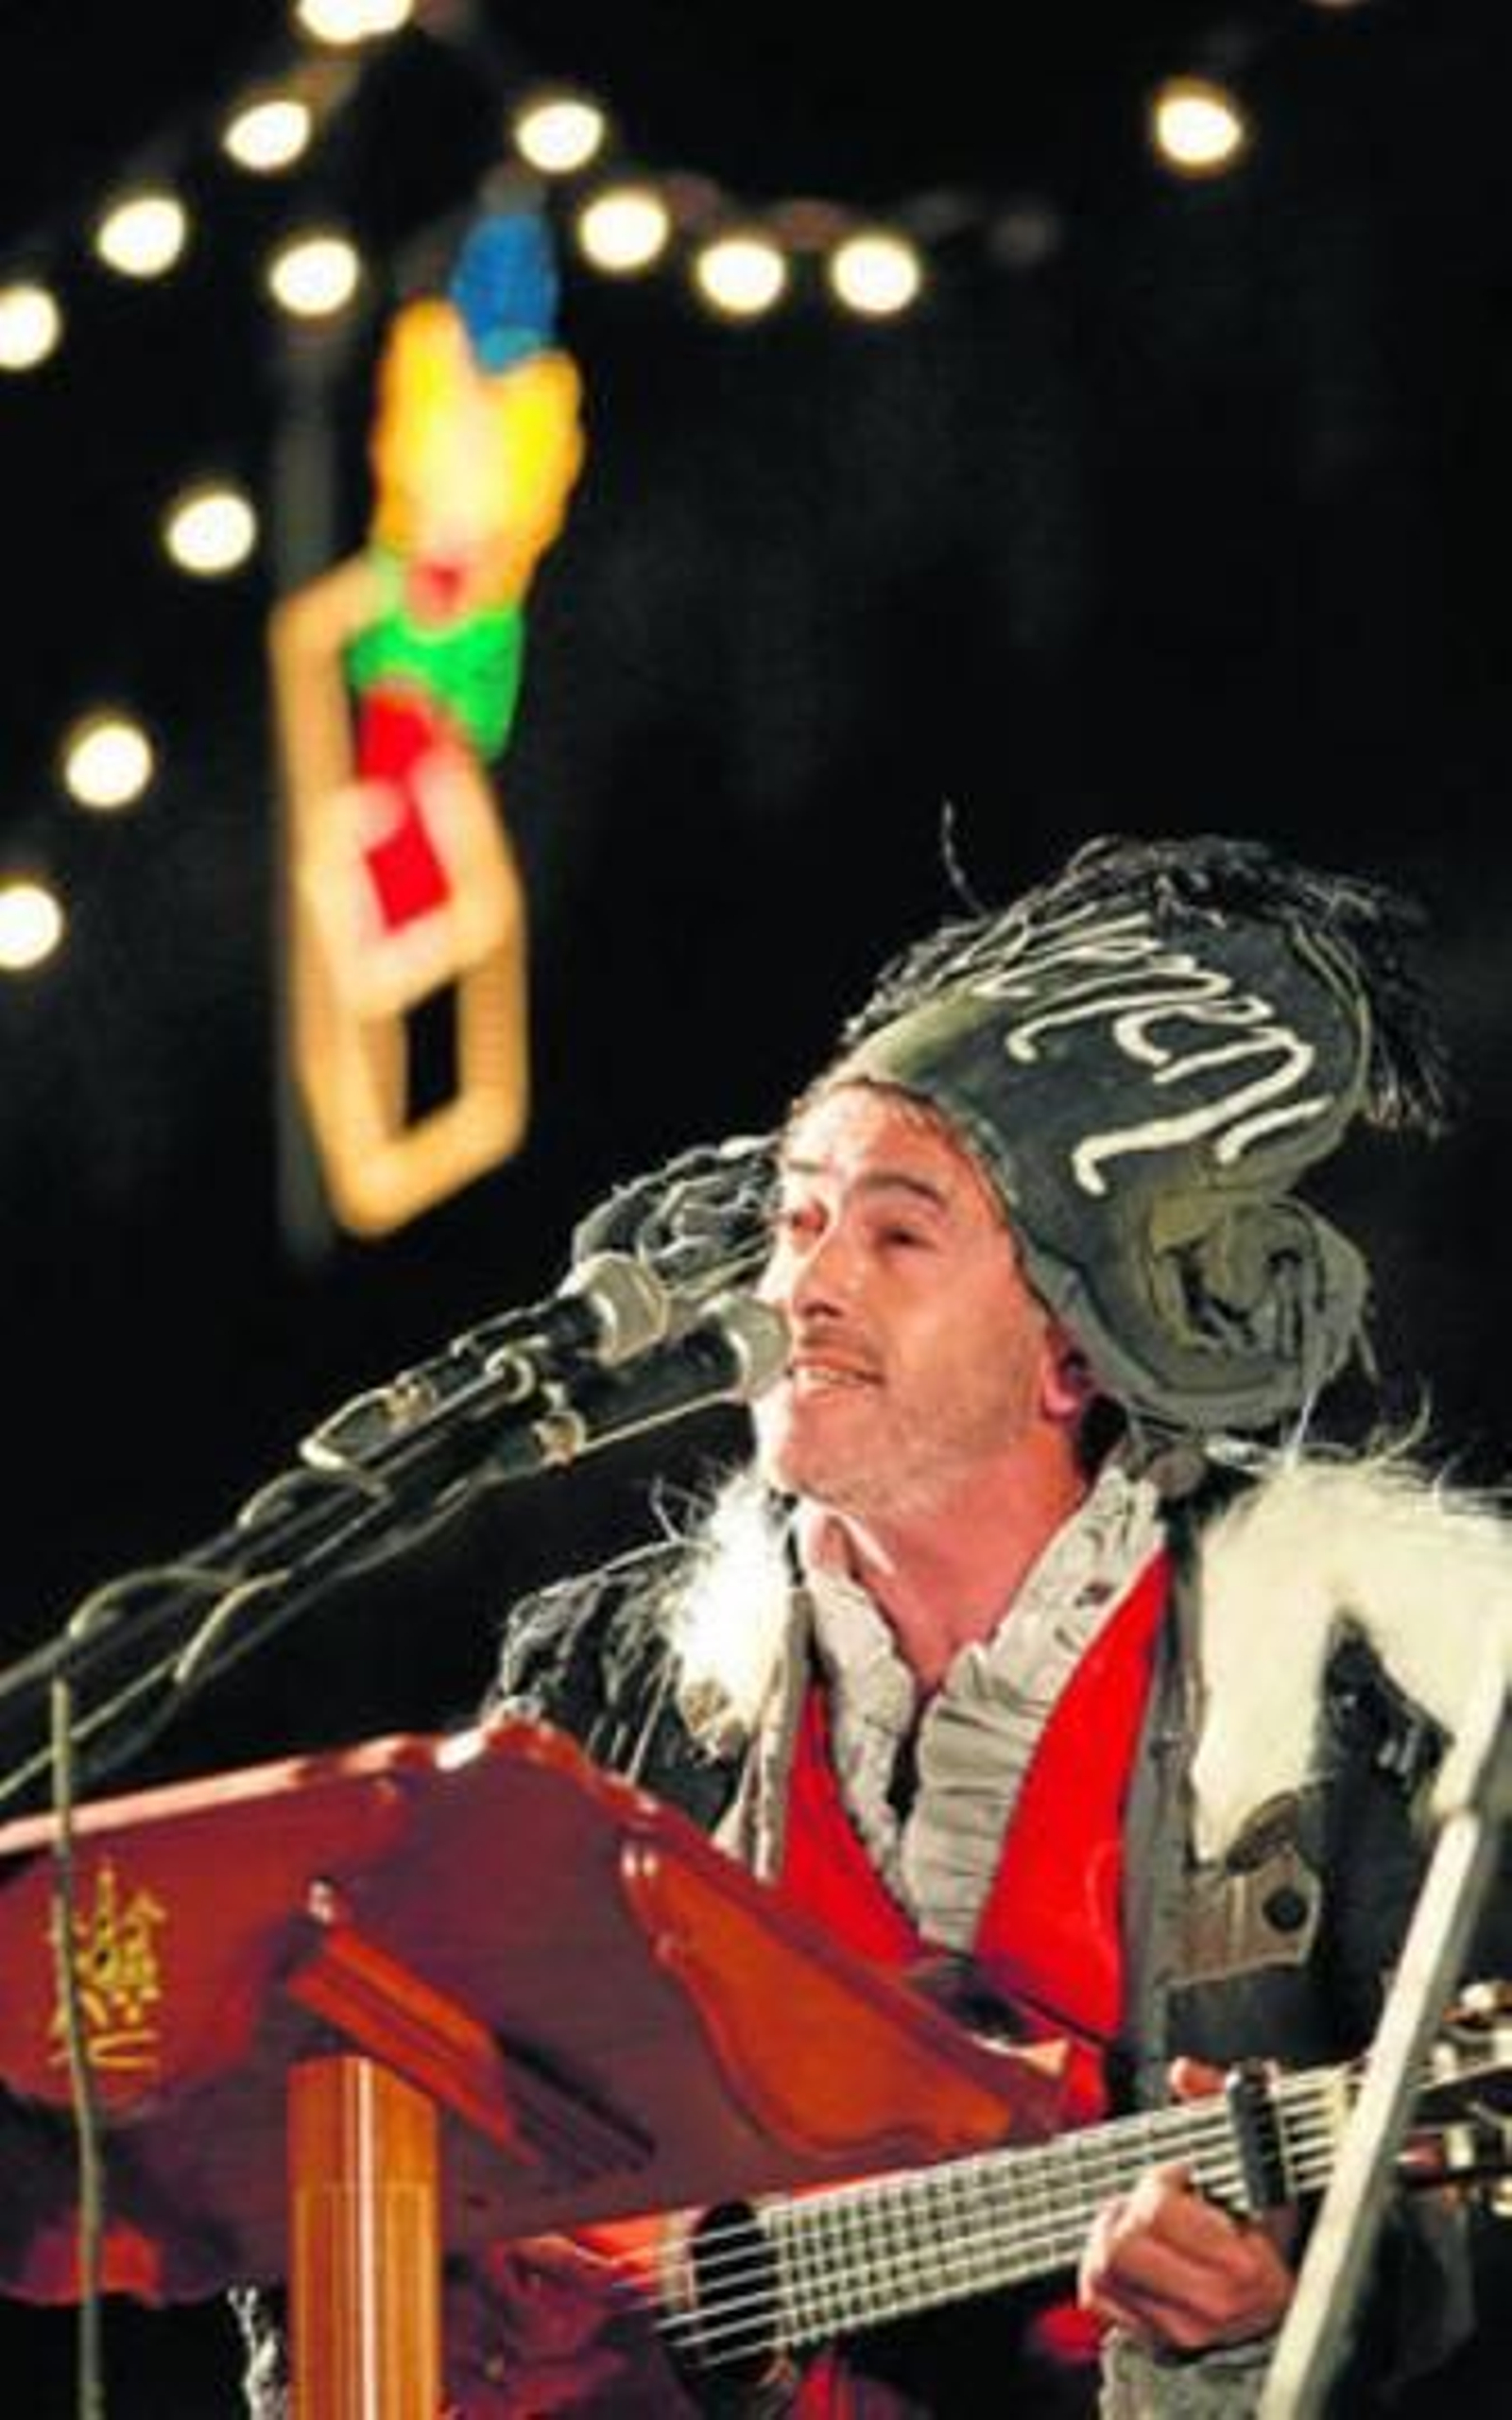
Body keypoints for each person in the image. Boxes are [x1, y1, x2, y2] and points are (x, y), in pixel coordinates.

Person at [242, 835, 1512, 2415]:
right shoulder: (613, 1687)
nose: (806, 1286)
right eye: (796, 1222)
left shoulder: (1369, 1690)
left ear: (1078, 1349)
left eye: (897, 1234)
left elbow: (1466, 2296)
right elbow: (359, 2130)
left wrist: (1264, 2325)